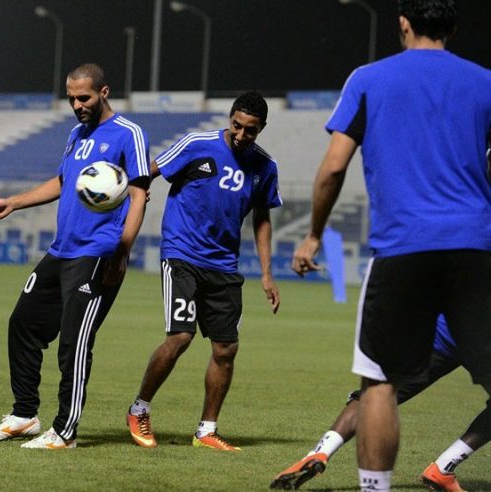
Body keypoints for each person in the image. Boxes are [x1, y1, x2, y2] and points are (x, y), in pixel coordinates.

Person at [291, 1, 491, 490]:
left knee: (380, 382)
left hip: (403, 248)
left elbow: (334, 167)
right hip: (474, 250)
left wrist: (314, 233)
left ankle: (374, 489)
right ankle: (447, 465)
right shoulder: (484, 81)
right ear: (453, 27)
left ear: (403, 24)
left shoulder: (369, 77)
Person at [0, 63, 150, 449]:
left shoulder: (129, 134)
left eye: (84, 97)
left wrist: (122, 251)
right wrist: (14, 202)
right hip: (62, 250)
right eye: (72, 98)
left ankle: (65, 431)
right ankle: (24, 415)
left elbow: (139, 194)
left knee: (74, 342)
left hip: (97, 254)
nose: (77, 105)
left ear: (104, 92)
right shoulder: (76, 134)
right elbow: (63, 182)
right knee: (22, 324)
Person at [126, 91, 282, 451]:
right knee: (181, 337)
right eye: (237, 126)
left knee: (226, 349)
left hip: (224, 265)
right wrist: (138, 191)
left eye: (251, 131)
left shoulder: (265, 167)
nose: (242, 136)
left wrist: (267, 274)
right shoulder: (198, 143)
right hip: (182, 253)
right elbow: (150, 171)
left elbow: (262, 219)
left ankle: (206, 430)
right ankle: (139, 409)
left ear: (262, 129)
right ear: (230, 119)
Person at [270, 315, 491, 491]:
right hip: (480, 338)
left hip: (438, 333)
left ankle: (320, 451)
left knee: (378, 392)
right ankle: (444, 467)